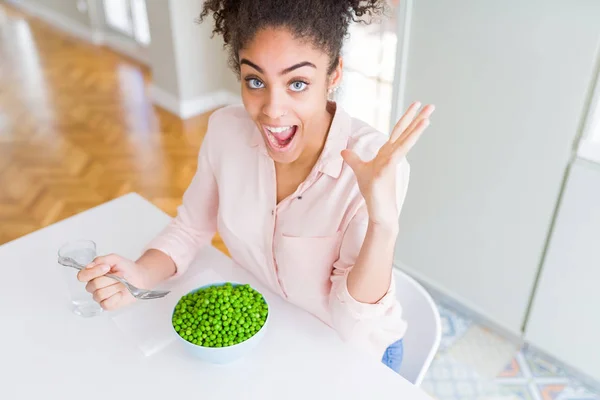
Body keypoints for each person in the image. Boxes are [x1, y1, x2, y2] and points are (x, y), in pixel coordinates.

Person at [77, 0, 434, 373]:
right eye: (256, 81)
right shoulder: (225, 132)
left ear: (334, 75)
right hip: (274, 332)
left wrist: (383, 224)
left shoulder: (375, 165)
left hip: (359, 357)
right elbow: (191, 227)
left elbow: (352, 327)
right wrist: (139, 275)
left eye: (298, 83)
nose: (272, 109)